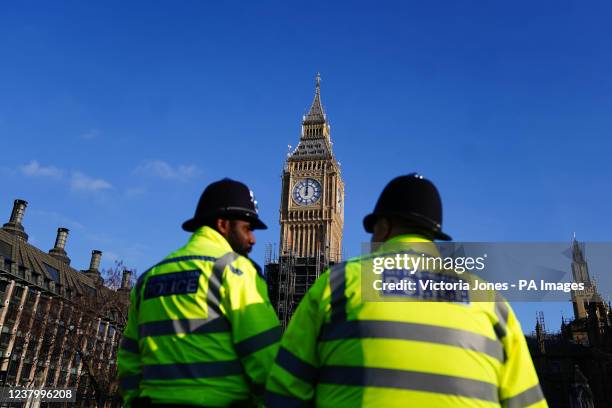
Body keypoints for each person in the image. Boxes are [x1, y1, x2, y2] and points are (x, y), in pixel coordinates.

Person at [265, 173, 547, 407]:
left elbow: (283, 391)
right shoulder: (489, 300)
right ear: (432, 235)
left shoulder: (337, 283)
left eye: (373, 231)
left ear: (384, 227)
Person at [118, 178, 281, 407]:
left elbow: (128, 359)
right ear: (223, 224)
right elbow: (265, 357)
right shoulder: (235, 271)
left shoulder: (149, 278)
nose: (252, 239)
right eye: (247, 228)